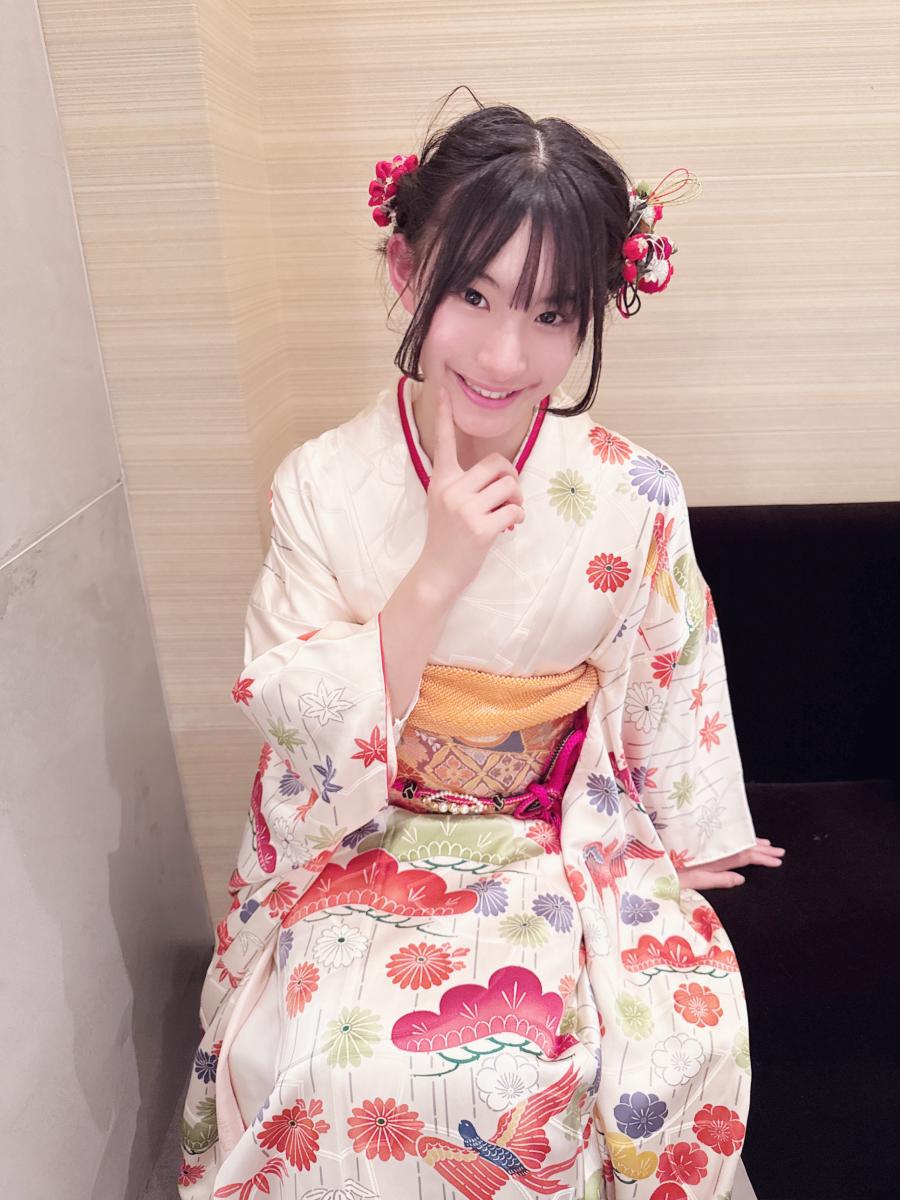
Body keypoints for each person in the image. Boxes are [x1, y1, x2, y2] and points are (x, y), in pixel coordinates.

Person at [178, 91, 785, 1200]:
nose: (506, 354)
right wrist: (437, 573)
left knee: (644, 1054)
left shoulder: (633, 490)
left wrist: (696, 837)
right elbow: (292, 706)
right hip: (368, 836)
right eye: (472, 294)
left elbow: (671, 668)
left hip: (558, 829)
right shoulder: (322, 482)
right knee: (329, 1068)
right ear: (407, 271)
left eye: (552, 314)